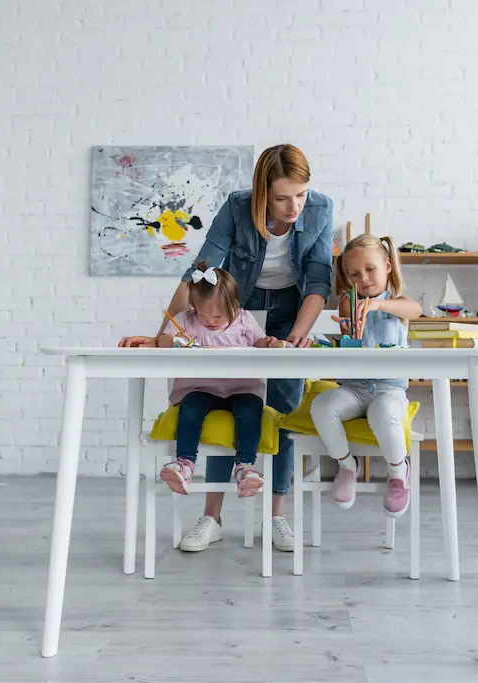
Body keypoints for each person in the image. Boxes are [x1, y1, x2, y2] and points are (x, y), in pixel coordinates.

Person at [120, 144, 334, 553]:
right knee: (221, 393)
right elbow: (201, 271)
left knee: (284, 407)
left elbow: (319, 281)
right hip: (233, 304)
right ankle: (212, 517)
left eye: (301, 195)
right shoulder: (237, 208)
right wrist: (162, 334)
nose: (294, 208)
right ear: (261, 193)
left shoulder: (321, 210)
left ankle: (276, 516)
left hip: (292, 309)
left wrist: (294, 339)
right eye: (282, 198)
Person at [309, 234, 422, 518]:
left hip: (389, 390)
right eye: (355, 274)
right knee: (322, 406)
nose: (364, 279)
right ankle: (347, 465)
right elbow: (350, 342)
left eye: (370, 269)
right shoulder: (348, 303)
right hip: (354, 389)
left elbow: (415, 310)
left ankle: (398, 471)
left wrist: (379, 305)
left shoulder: (399, 304)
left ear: (386, 265)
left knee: (383, 414)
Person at [156, 261, 279, 504]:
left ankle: (245, 467)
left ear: (234, 305)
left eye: (218, 315)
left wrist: (268, 343)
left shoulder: (244, 320)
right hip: (200, 387)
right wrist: (175, 341)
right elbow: (162, 341)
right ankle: (185, 464)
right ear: (193, 308)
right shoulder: (186, 320)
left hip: (241, 388)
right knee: (190, 408)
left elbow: (260, 343)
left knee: (250, 410)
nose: (210, 321)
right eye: (203, 314)